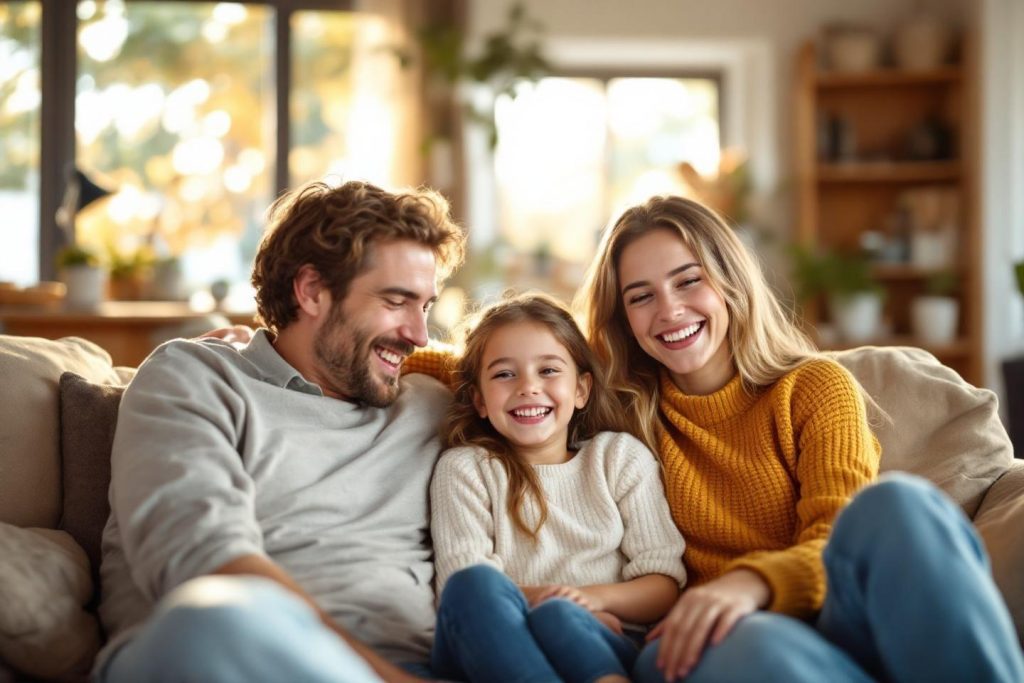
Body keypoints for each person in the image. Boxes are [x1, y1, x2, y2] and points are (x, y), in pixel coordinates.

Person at [575, 194, 1024, 683]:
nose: (670, 309)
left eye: (689, 280)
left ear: (730, 281)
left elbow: (832, 537)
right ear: (623, 319)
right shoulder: (620, 421)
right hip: (706, 641)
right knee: (753, 640)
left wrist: (752, 583)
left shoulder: (814, 388)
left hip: (834, 616)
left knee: (897, 503)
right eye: (641, 296)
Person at [95, 180, 466, 683]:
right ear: (311, 290)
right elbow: (205, 561)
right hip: (219, 653)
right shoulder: (196, 378)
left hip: (411, 662)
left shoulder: (430, 405)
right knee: (214, 617)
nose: (419, 334)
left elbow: (535, 382)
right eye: (397, 301)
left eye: (426, 306)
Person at [426, 293, 686, 683]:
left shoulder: (618, 458)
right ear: (479, 399)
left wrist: (588, 601)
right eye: (503, 374)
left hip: (600, 638)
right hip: (493, 643)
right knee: (474, 585)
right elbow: (466, 589)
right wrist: (559, 599)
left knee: (559, 617)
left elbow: (662, 585)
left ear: (581, 389)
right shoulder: (465, 469)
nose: (528, 387)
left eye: (548, 371)